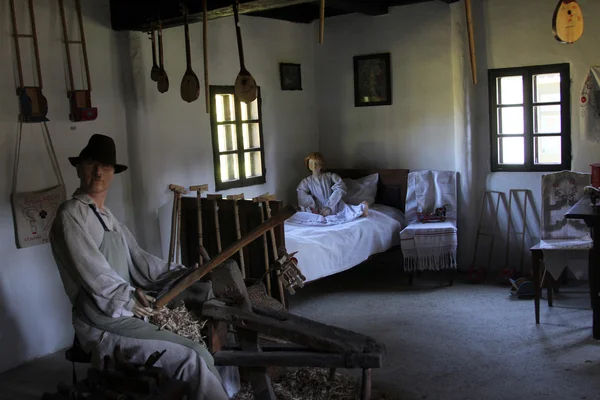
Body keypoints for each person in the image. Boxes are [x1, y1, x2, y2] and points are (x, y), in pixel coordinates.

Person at [50, 134, 229, 400]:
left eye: (106, 166)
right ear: (78, 167)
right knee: (194, 357)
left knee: (204, 333)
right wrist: (127, 297)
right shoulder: (71, 214)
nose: (98, 172)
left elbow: (141, 261)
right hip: (101, 321)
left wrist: (182, 273)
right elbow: (93, 271)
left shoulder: (107, 217)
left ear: (113, 173)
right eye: (91, 163)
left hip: (123, 313)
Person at [294, 152, 368, 225]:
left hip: (333, 202)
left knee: (346, 211)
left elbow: (340, 186)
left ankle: (362, 208)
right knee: (308, 215)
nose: (314, 166)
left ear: (322, 165)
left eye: (317, 163)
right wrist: (310, 204)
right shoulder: (306, 181)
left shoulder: (329, 176)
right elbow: (301, 193)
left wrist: (330, 205)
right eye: (311, 163)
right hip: (318, 206)